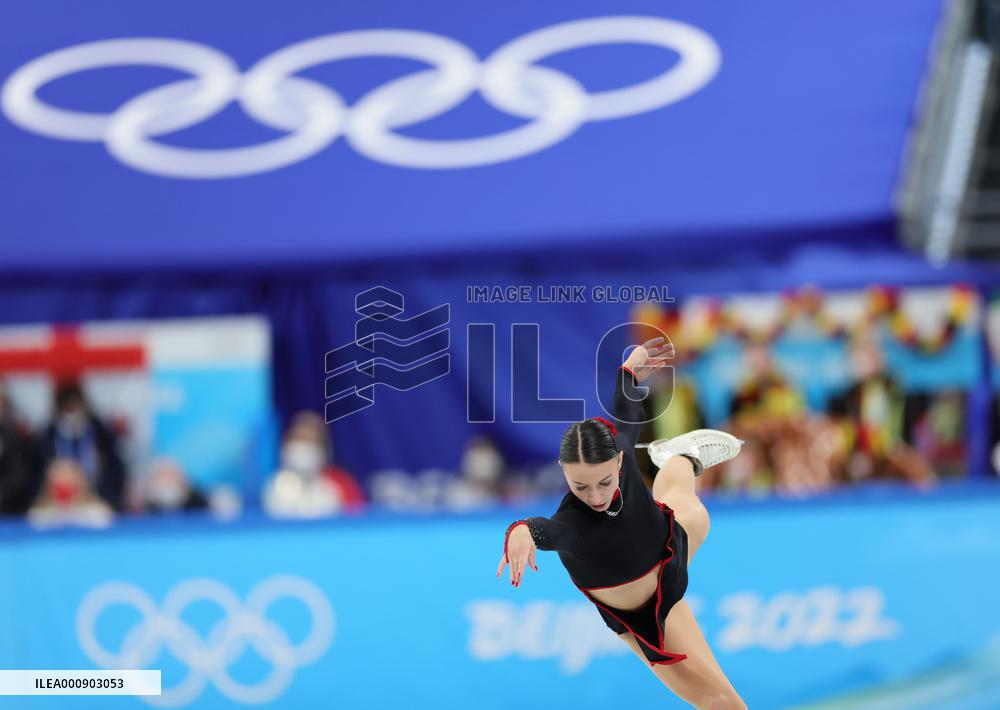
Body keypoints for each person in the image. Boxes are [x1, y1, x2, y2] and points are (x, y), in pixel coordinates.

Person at [498, 338, 746, 708]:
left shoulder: (623, 454)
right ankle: (681, 456)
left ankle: (681, 455)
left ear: (617, 462)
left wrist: (629, 372)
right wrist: (520, 531)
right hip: (644, 615)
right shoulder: (572, 525)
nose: (596, 497)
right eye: (580, 486)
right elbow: (544, 531)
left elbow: (627, 411)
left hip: (669, 546)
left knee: (693, 512)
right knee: (720, 702)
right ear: (564, 472)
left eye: (604, 482)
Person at [38, 382, 126, 511]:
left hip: (94, 497)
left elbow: (115, 469)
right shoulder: (48, 436)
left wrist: (109, 496)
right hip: (55, 502)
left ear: (84, 405)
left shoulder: (100, 433)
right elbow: (38, 471)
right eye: (67, 408)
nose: (72, 414)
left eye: (75, 406)